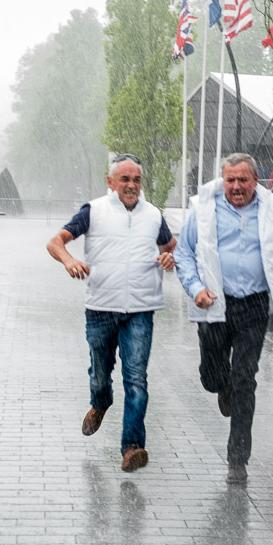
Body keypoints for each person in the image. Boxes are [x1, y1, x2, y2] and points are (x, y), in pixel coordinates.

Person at [174, 152, 273, 485]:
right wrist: (195, 288)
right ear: (223, 179)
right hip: (214, 303)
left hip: (254, 307)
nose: (236, 187)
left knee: (245, 378)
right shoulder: (204, 208)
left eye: (242, 180)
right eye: (230, 180)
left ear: (255, 181)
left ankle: (237, 459)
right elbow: (184, 253)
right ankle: (222, 387)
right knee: (213, 377)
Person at [46, 155, 176, 473]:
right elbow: (55, 242)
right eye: (124, 179)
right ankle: (101, 401)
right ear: (110, 182)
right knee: (101, 372)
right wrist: (69, 260)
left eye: (136, 180)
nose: (131, 186)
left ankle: (132, 447)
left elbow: (170, 245)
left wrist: (170, 258)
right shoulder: (94, 211)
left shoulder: (153, 215)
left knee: (136, 380)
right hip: (101, 308)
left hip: (141, 310)